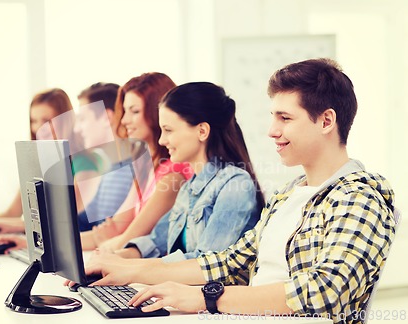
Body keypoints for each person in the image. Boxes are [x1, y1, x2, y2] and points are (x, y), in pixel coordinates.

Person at [74, 59, 397, 324]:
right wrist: (131, 269)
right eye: (273, 117)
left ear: (326, 121)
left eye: (285, 118)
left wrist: (206, 297)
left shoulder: (359, 197)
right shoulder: (288, 195)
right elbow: (229, 261)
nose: (272, 131)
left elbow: (325, 289)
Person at [106, 82, 263, 261]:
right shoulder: (189, 188)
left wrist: (129, 269)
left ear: (202, 131)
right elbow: (156, 242)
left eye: (168, 130)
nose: (161, 140)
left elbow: (206, 263)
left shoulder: (235, 185)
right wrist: (116, 259)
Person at [0, 88, 99, 235]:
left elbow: (63, 219)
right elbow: (13, 213)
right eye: (34, 120)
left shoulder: (85, 163)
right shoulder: (41, 163)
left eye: (46, 120)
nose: (38, 127)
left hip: (83, 251)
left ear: (65, 120)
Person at [80, 73, 193, 250]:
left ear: (159, 113)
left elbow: (128, 239)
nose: (124, 120)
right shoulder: (145, 167)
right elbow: (114, 229)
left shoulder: (173, 174)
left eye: (135, 111)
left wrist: (104, 245)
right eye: (125, 111)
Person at [74, 82, 135, 231]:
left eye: (82, 119)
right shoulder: (111, 168)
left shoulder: (133, 171)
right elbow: (85, 220)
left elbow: (111, 232)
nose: (77, 128)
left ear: (106, 117)